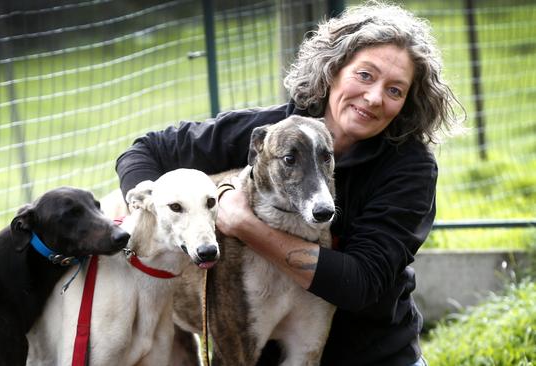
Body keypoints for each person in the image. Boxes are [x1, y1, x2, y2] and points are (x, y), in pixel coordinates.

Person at [115, 1, 463, 365]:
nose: (374, 97)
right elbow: (145, 151)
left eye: (395, 90)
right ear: (333, 70)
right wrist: (150, 207)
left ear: (407, 102)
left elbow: (361, 283)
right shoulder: (268, 131)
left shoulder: (409, 168)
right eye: (365, 75)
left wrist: (244, 226)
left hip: (373, 354)